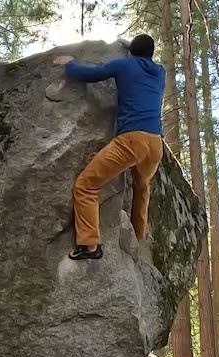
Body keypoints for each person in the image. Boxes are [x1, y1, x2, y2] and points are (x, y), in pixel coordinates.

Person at [55, 35, 165, 261]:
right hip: (155, 143)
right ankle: (138, 237)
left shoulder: (123, 65)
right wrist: (131, 48)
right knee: (142, 187)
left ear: (131, 52)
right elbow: (143, 60)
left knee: (86, 185)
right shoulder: (160, 73)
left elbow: (90, 74)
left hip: (131, 141)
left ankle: (90, 245)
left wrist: (69, 64)